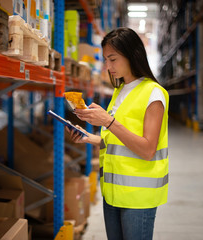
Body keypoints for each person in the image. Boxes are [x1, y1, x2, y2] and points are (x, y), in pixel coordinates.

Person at [66, 27, 169, 240]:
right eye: (105, 60)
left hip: (138, 198)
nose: (107, 67)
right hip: (112, 193)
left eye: (112, 59)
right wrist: (89, 137)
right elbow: (117, 142)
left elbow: (148, 150)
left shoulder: (153, 93)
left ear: (132, 55)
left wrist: (108, 121)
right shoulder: (120, 91)